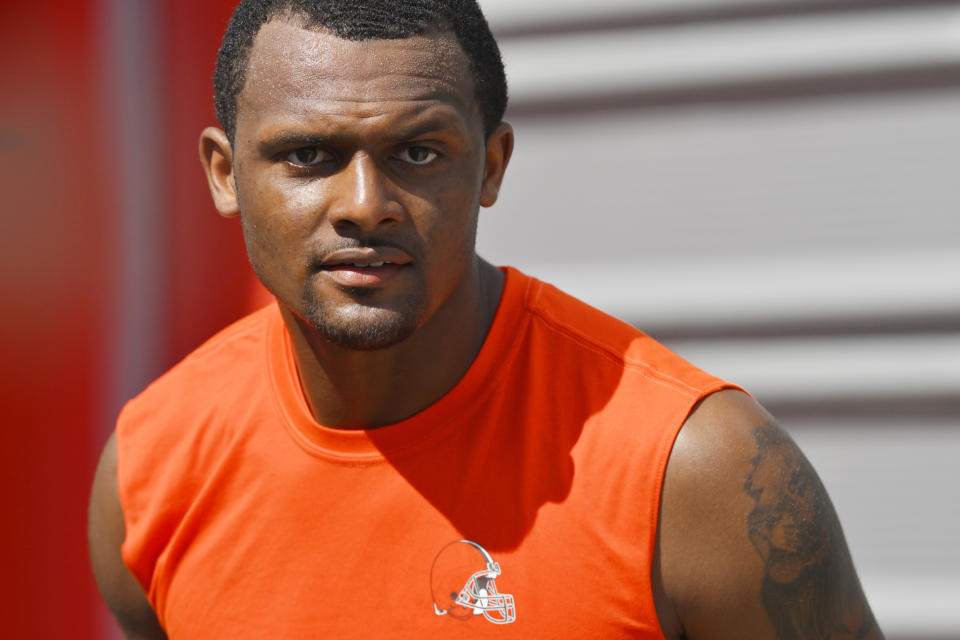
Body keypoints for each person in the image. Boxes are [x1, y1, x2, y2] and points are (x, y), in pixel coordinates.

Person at [87, 1, 884, 638]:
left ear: (491, 165)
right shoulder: (150, 471)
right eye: (308, 156)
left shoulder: (696, 472)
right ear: (226, 175)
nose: (364, 206)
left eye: (419, 153)